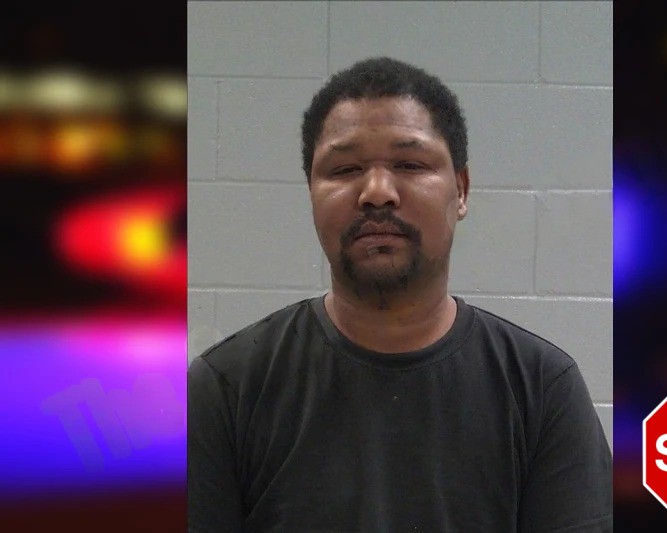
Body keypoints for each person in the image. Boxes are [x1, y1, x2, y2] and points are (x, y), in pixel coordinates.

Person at [188, 57, 612, 532]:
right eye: (345, 168)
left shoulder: (542, 388)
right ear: (311, 191)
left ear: (461, 190)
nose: (377, 192)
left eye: (410, 164)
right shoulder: (227, 388)